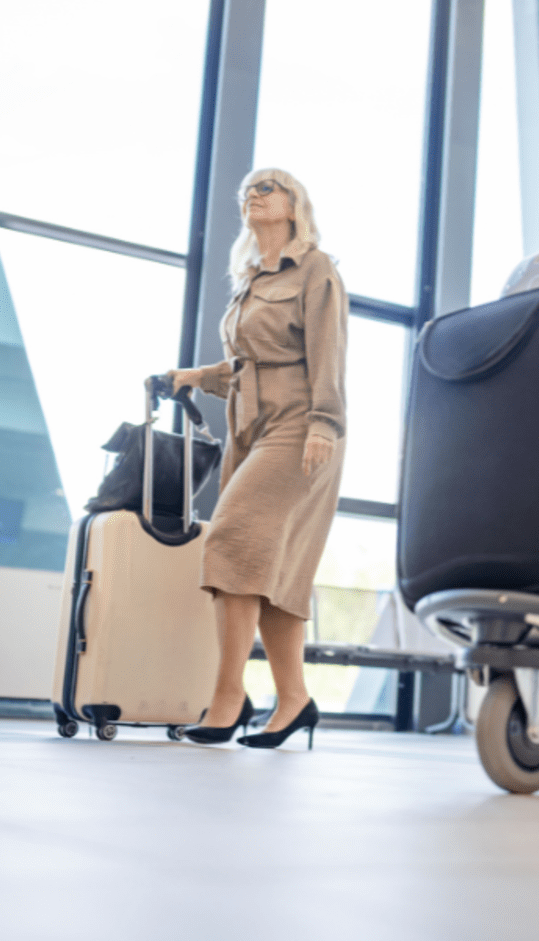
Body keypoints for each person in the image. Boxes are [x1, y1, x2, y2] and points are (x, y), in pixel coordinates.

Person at [168, 169, 347, 749]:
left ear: (295, 205)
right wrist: (199, 377)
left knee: (231, 540)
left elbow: (326, 354)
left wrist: (325, 422)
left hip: (300, 425)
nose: (254, 192)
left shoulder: (315, 269)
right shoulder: (249, 279)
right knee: (270, 572)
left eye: (269, 185)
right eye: (248, 187)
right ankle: (294, 700)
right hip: (249, 428)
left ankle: (229, 696)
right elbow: (250, 364)